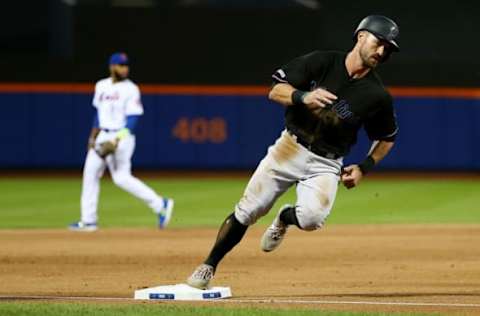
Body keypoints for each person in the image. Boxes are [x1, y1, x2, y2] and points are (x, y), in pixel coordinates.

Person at [186, 15, 400, 289]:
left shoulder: (377, 96)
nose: (382, 51)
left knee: (312, 220)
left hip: (327, 161)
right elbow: (275, 90)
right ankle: (209, 265)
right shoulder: (322, 62)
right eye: (378, 42)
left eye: (388, 49)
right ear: (360, 36)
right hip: (289, 147)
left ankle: (286, 217)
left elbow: (387, 137)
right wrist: (303, 96)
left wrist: (364, 167)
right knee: (249, 210)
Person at [69, 52, 174, 232]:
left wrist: (117, 139)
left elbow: (133, 118)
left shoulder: (131, 88)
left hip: (122, 135)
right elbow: (98, 114)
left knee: (121, 178)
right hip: (103, 134)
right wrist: (92, 137)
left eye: (126, 65)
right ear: (112, 67)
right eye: (121, 65)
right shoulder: (101, 85)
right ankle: (88, 220)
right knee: (90, 173)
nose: (125, 68)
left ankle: (160, 204)